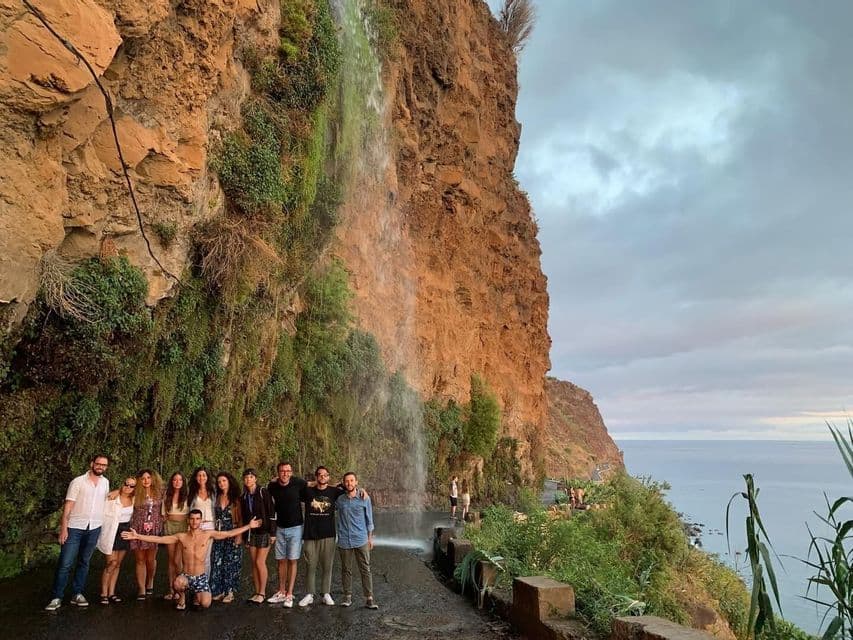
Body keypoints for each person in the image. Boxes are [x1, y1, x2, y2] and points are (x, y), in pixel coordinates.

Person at [122, 510, 261, 611]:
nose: (195, 521)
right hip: (186, 576)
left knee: (205, 604)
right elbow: (160, 539)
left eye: (197, 519)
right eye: (192, 518)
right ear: (188, 520)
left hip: (200, 577)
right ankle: (182, 597)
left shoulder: (207, 535)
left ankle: (196, 593)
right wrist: (138, 536)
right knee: (177, 583)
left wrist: (249, 526)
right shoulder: (181, 536)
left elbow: (228, 533)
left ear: (201, 520)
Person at [45, 453, 110, 611]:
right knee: (65, 563)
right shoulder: (78, 482)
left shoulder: (105, 483)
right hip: (75, 527)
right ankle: (56, 597)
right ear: (91, 463)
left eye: (104, 465)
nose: (100, 467)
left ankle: (77, 593)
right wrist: (64, 529)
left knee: (84, 562)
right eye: (98, 463)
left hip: (94, 527)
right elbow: (68, 505)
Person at [298, 466, 347, 607]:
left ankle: (326, 593)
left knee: (327, 566)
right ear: (316, 477)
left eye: (325, 475)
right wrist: (309, 483)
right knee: (310, 565)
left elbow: (351, 489)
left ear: (328, 477)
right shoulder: (307, 491)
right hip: (310, 534)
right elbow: (292, 485)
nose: (322, 477)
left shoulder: (334, 492)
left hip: (328, 534)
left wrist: (363, 492)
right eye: (319, 475)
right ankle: (309, 594)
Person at [266, 462, 307, 606]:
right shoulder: (272, 486)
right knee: (281, 560)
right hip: (279, 527)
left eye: (288, 471)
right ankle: (281, 591)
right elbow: (265, 500)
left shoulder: (298, 483)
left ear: (291, 472)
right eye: (282, 471)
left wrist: (343, 485)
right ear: (278, 472)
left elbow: (316, 484)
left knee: (292, 560)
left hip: (295, 527)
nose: (285, 473)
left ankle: (290, 594)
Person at [336, 472, 378, 609]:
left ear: (356, 482)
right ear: (343, 483)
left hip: (361, 539)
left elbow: (369, 519)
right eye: (346, 481)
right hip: (344, 539)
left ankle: (369, 598)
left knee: (365, 568)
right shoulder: (339, 499)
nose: (349, 483)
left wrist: (370, 538)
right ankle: (347, 597)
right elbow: (325, 488)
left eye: (352, 480)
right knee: (346, 569)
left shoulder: (363, 498)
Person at [240, 468, 276, 604]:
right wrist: (244, 536)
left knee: (260, 562)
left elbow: (271, 512)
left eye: (250, 477)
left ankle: (262, 592)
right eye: (246, 478)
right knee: (254, 563)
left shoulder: (263, 492)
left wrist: (273, 533)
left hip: (264, 531)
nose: (248, 480)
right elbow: (244, 517)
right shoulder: (244, 497)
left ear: (255, 478)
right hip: (251, 532)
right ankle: (256, 592)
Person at [97, 476, 136, 604]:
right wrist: (116, 491)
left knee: (118, 564)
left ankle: (112, 592)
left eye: (132, 486)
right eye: (126, 484)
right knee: (111, 563)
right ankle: (103, 593)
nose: (128, 487)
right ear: (122, 483)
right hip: (112, 531)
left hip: (125, 532)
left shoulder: (134, 499)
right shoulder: (112, 498)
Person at [129, 469, 164, 599]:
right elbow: (122, 492)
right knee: (140, 560)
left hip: (153, 529)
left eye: (148, 477)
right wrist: (116, 491)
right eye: (143, 478)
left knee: (150, 559)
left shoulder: (160, 492)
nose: (146, 480)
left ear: (153, 479)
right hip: (138, 529)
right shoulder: (134, 492)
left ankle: (150, 581)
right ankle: (142, 588)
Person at [210, 472, 243, 603]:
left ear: (229, 482)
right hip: (219, 534)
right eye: (219, 482)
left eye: (224, 481)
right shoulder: (217, 497)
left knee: (231, 562)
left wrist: (239, 536)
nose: (221, 484)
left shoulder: (236, 499)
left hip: (233, 532)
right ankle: (219, 590)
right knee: (218, 561)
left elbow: (240, 519)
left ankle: (230, 591)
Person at [162, 472, 189, 600]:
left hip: (183, 527)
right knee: (171, 560)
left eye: (180, 480)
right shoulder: (167, 495)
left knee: (178, 560)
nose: (177, 482)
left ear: (183, 482)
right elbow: (163, 514)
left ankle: (180, 588)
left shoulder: (187, 496)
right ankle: (171, 590)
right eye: (174, 480)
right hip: (169, 526)